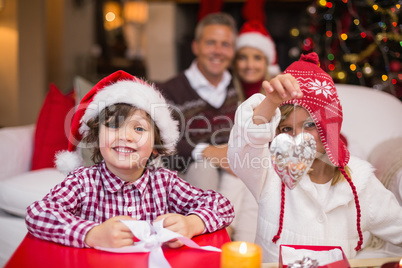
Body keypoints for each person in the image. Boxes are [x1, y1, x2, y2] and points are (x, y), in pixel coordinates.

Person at [25, 70, 234, 249]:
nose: (126, 136)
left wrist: (192, 223)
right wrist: (92, 234)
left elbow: (221, 205)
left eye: (139, 128)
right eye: (114, 125)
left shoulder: (165, 183)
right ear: (96, 138)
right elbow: (38, 213)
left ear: (155, 147)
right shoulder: (83, 182)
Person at [227, 52, 402, 261]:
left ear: (329, 125)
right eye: (286, 128)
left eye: (310, 125)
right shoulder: (268, 172)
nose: (298, 137)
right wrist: (271, 102)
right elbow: (242, 146)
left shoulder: (361, 183)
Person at [232, 20, 281, 102]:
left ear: (266, 62)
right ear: (235, 61)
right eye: (243, 57)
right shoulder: (226, 94)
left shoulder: (280, 92)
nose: (250, 65)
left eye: (257, 58)